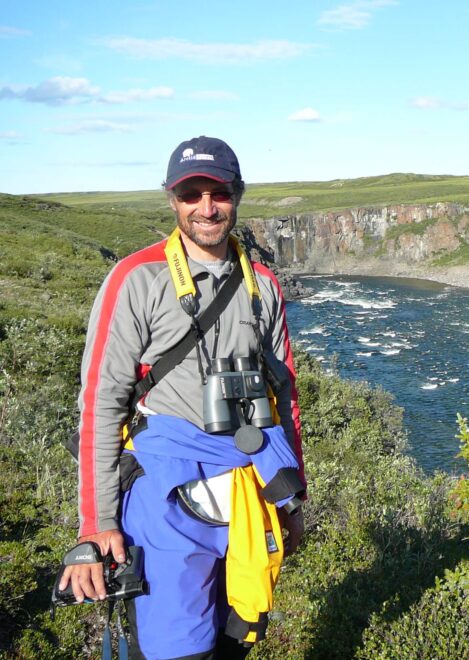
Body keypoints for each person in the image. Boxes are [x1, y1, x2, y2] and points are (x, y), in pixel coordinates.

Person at [59, 136, 307, 659]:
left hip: (249, 496)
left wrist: (292, 498)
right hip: (167, 500)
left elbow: (284, 398)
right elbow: (101, 404)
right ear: (172, 200)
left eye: (219, 192)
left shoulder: (263, 284)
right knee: (177, 649)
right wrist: (97, 524)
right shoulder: (136, 279)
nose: (206, 208)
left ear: (238, 194)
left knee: (236, 640)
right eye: (191, 194)